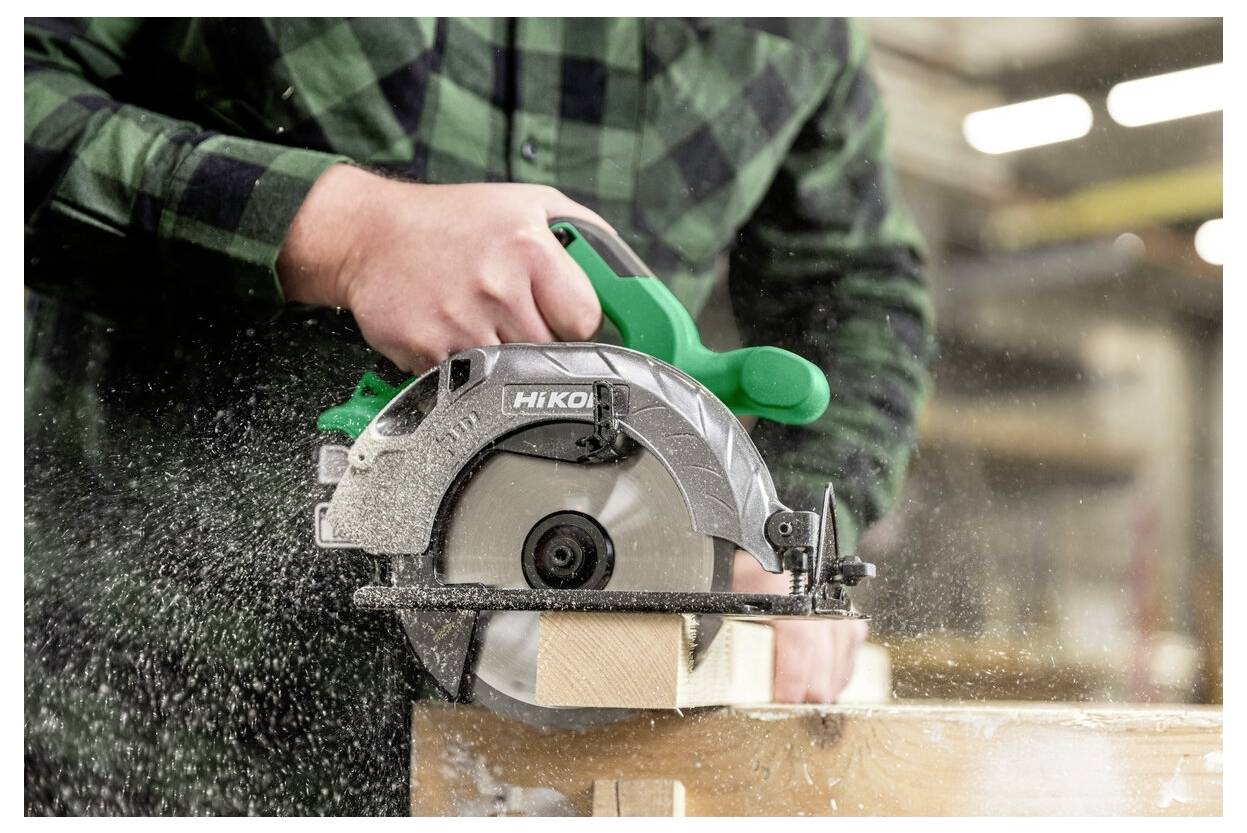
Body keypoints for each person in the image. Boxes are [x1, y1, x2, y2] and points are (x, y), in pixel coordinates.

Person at [24, 17, 934, 815]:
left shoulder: (802, 27)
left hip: (589, 735)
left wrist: (790, 528)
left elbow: (856, 293)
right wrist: (342, 228)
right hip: (134, 696)